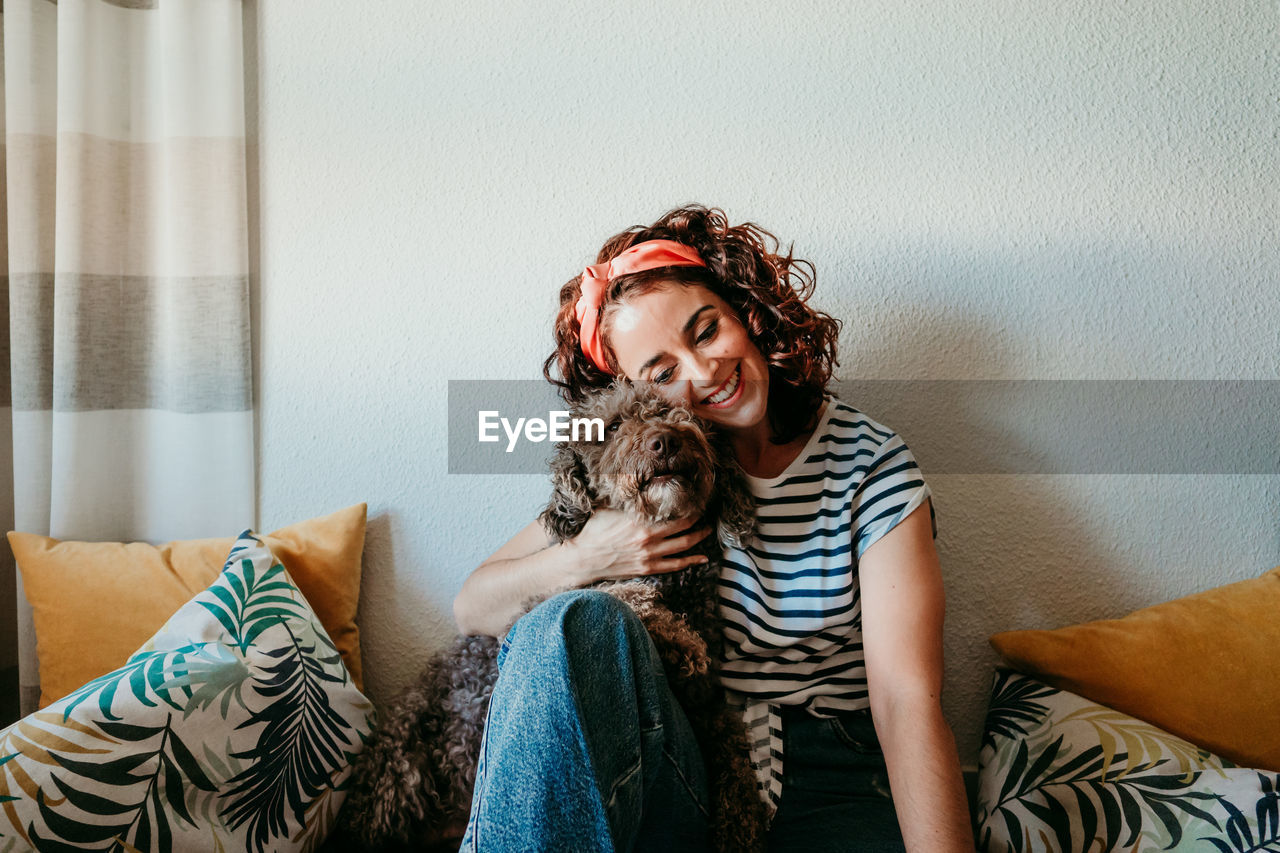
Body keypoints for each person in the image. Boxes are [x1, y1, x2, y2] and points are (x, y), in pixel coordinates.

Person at [452, 204, 975, 853]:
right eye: (662, 373)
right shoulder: (647, 474)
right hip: (685, 767)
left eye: (706, 330)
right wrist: (589, 555)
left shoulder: (870, 465)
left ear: (746, 311)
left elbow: (906, 703)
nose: (702, 373)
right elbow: (473, 605)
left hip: (833, 779)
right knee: (569, 624)